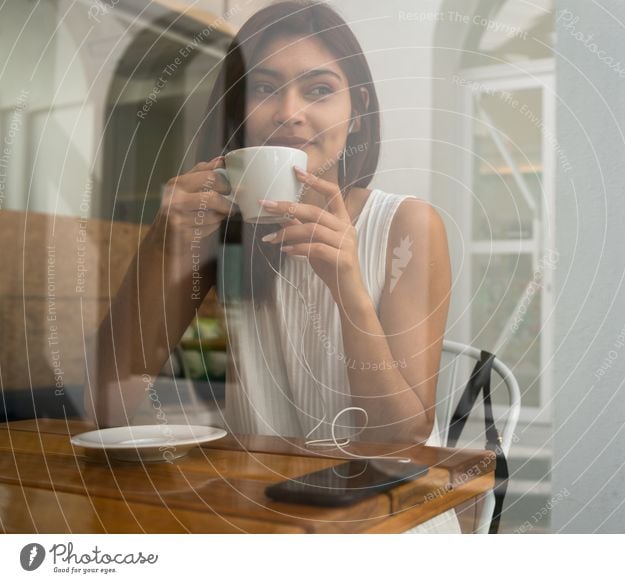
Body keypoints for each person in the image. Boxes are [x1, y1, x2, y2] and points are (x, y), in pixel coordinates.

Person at [84, 0, 458, 533]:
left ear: (358, 114)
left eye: (319, 89)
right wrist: (164, 245)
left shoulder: (408, 225)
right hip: (264, 513)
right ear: (239, 113)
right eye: (264, 88)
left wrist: (347, 285)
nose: (289, 111)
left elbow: (401, 438)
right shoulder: (219, 232)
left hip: (389, 521)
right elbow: (108, 406)